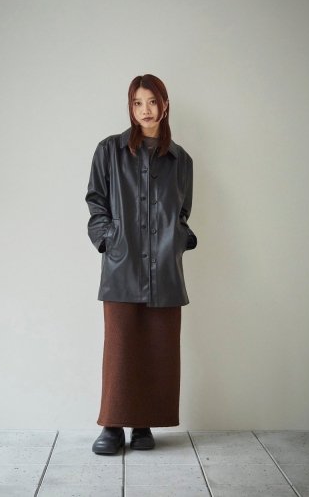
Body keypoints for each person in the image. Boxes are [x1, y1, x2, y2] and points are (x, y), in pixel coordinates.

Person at [85, 73, 197, 454]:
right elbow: (96, 202)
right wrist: (108, 239)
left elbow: (182, 212)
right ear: (130, 108)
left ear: (165, 105)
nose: (145, 110)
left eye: (152, 101)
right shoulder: (109, 151)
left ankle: (143, 424)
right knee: (120, 349)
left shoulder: (181, 161)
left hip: (164, 270)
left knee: (157, 349)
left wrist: (180, 239)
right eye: (137, 103)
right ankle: (113, 426)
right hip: (122, 265)